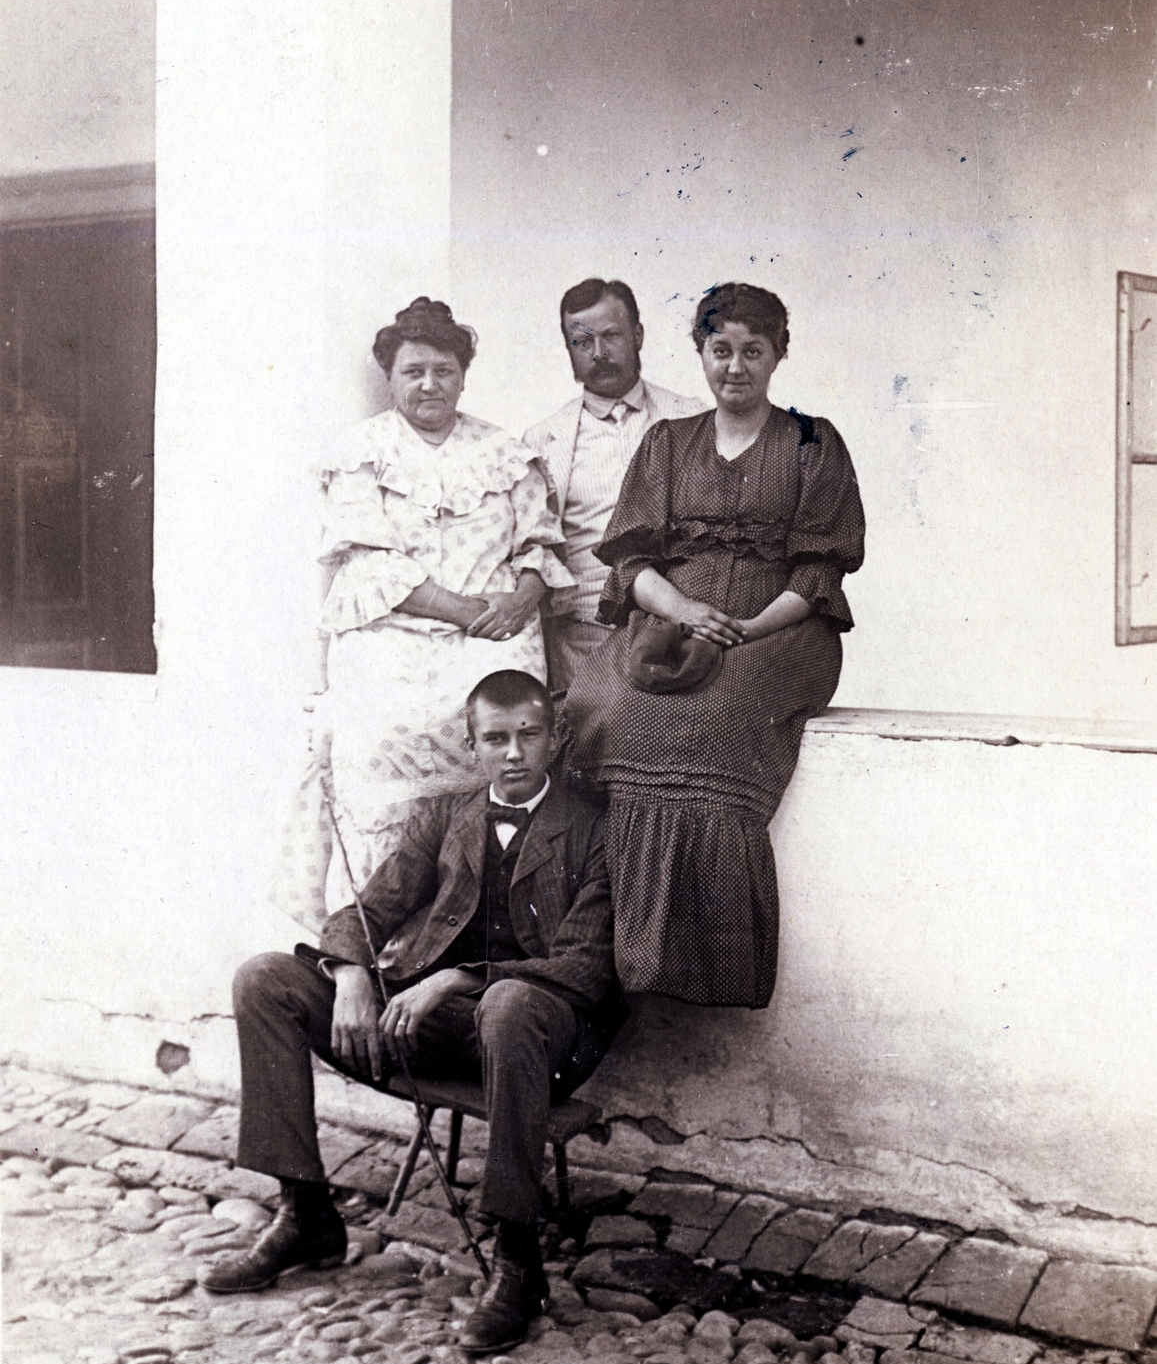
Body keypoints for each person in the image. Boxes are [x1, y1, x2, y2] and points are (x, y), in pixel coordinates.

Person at [203, 670, 622, 1354]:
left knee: (509, 1004)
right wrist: (350, 976)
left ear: (556, 738)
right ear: (471, 745)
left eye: (528, 735)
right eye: (495, 739)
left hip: (537, 1036)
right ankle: (306, 1212)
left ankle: (517, 1262)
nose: (513, 753)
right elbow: (367, 912)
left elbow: (585, 963)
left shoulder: (596, 828)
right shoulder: (443, 817)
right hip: (425, 1027)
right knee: (265, 979)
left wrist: (458, 977)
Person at [565, 283, 865, 1009]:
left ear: (776, 356)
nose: (735, 367)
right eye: (720, 349)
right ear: (700, 352)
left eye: (751, 351)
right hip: (675, 616)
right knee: (598, 704)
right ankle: (608, 944)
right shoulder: (667, 442)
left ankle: (704, 963)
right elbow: (632, 564)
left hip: (781, 628)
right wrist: (684, 609)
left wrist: (744, 628)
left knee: (718, 717)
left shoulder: (811, 442)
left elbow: (819, 569)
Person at [278, 297, 576, 927]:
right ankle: (373, 922)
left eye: (443, 370)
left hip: (496, 631)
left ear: (463, 375)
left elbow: (539, 544)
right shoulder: (361, 452)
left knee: (505, 720)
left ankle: (484, 912)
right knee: (381, 731)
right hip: (396, 628)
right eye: (413, 371)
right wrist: (468, 610)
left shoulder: (503, 449)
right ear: (390, 376)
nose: (428, 384)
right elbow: (372, 563)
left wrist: (522, 596)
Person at [524, 278, 703, 693]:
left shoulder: (693, 419)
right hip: (585, 633)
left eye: (611, 336)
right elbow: (537, 546)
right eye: (581, 342)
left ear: (638, 336)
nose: (598, 354)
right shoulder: (543, 440)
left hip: (678, 628)